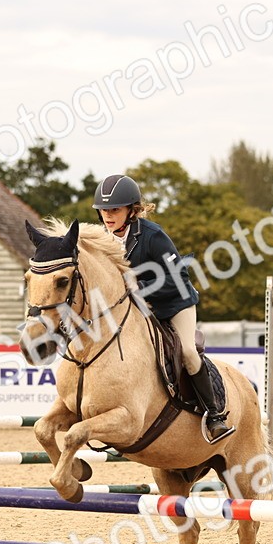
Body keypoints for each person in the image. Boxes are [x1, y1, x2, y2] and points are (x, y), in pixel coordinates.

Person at [92, 174, 233, 443]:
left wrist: (137, 286)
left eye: (114, 210)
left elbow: (178, 279)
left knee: (189, 352)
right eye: (104, 210)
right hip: (137, 311)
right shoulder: (101, 239)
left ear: (131, 210)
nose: (108, 216)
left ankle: (215, 416)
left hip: (174, 304)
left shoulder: (153, 236)